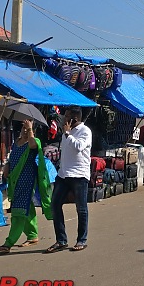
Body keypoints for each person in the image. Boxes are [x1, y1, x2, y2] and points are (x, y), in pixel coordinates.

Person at [0, 120, 53, 253]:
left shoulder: (34, 142)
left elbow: (34, 145)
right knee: (27, 207)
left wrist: (30, 130)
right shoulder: (16, 143)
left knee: (18, 212)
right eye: (23, 128)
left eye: (26, 128)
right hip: (14, 181)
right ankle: (32, 235)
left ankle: (8, 242)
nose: (24, 131)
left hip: (27, 182)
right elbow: (12, 158)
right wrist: (6, 167)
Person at [47, 107, 92, 253]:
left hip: (79, 175)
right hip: (63, 174)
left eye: (67, 117)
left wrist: (67, 133)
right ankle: (61, 240)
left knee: (81, 208)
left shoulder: (85, 131)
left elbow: (79, 147)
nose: (64, 119)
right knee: (55, 204)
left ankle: (81, 240)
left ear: (74, 119)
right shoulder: (66, 133)